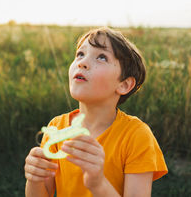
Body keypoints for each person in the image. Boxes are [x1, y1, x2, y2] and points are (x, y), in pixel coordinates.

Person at [24, 27, 167, 197]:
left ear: (124, 85)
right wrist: (35, 178)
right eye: (80, 54)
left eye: (101, 57)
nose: (82, 62)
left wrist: (97, 184)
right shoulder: (57, 127)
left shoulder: (136, 135)